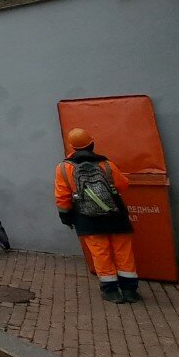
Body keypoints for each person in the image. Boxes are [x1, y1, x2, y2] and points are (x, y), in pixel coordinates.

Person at [55, 128, 141, 303]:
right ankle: (130, 291)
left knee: (100, 253)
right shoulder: (106, 164)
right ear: (92, 143)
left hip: (88, 218)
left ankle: (111, 291)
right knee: (123, 252)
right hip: (115, 214)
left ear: (72, 147)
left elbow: (62, 197)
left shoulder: (64, 168)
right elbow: (123, 185)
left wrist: (65, 217)